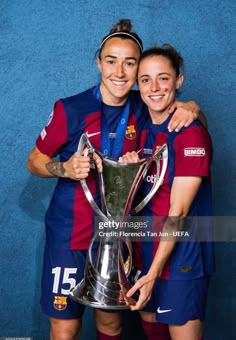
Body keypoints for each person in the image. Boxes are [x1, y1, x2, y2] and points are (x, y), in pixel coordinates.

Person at [27, 18, 205, 340]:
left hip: (120, 235)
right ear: (98, 62)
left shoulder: (146, 105)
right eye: (111, 61)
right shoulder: (70, 108)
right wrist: (64, 168)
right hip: (70, 235)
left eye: (129, 63)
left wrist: (193, 107)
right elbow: (34, 161)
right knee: (65, 328)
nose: (119, 72)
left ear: (138, 70)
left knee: (111, 325)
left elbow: (188, 126)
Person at [121, 45, 215, 340]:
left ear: (179, 81)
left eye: (164, 78)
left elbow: (179, 213)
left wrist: (153, 272)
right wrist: (128, 173)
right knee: (153, 333)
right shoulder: (143, 127)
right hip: (146, 250)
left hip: (182, 257)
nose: (154, 87)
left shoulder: (191, 133)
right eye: (146, 80)